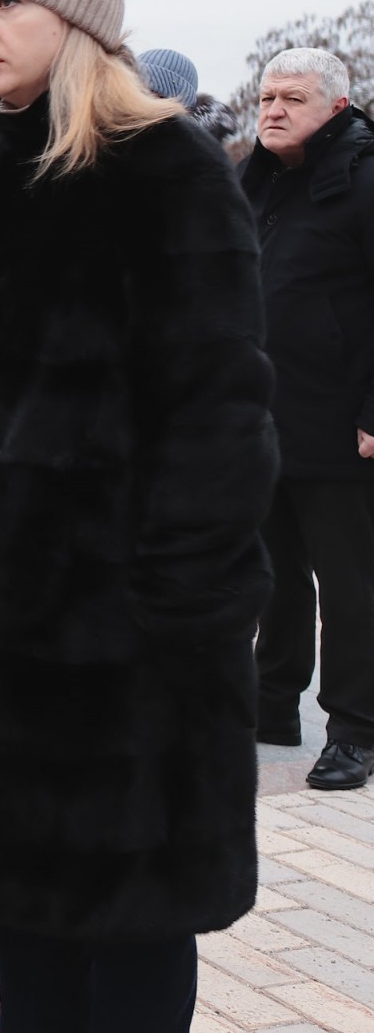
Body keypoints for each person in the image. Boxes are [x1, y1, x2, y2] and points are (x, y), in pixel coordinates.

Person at [0, 0, 276, 1032]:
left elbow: (219, 418)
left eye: (7, 3)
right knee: (30, 927)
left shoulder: (164, 168)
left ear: (78, 17)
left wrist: (168, 617)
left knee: (130, 929)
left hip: (122, 653)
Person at [242, 47, 374, 789]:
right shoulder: (256, 180)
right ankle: (271, 706)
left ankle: (355, 730)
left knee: (351, 586)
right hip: (264, 419)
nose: (274, 110)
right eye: (267, 97)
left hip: (343, 425)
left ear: (337, 108)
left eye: (293, 98)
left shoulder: (364, 180)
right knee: (271, 571)